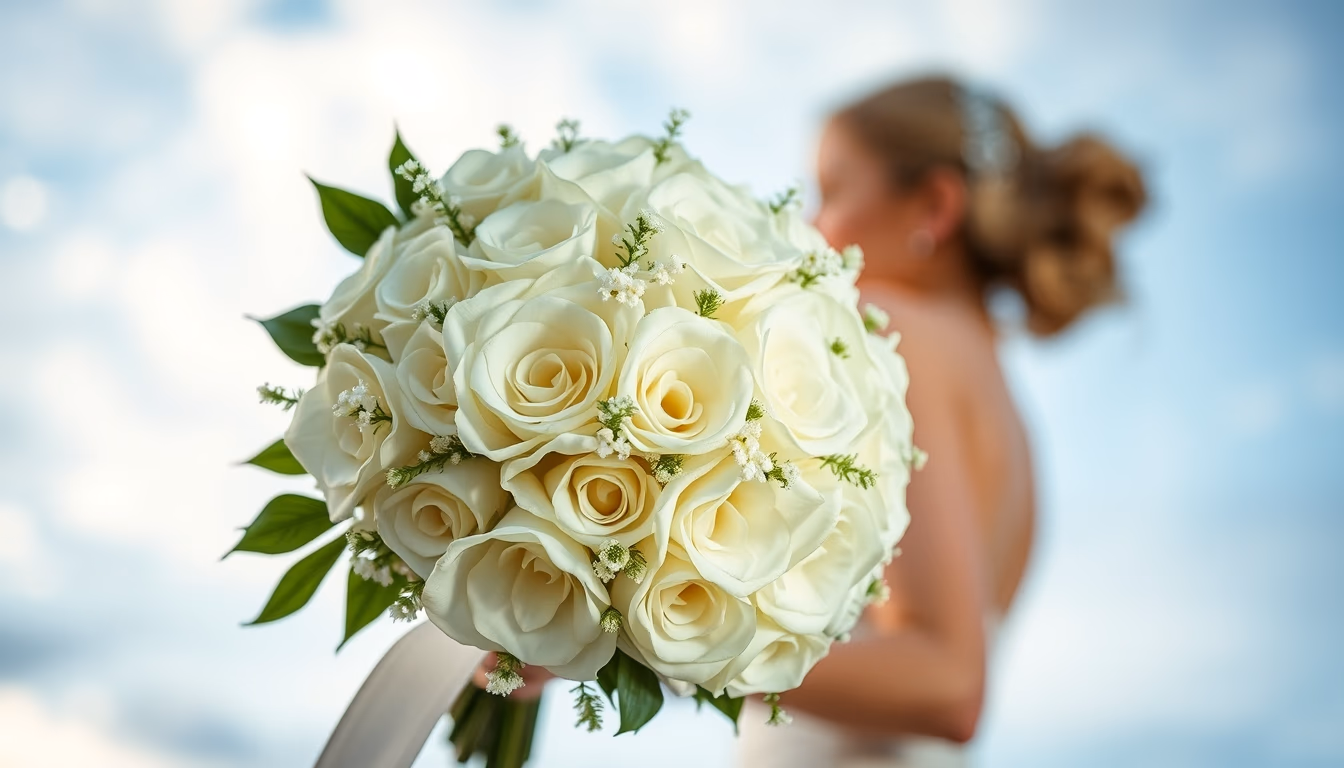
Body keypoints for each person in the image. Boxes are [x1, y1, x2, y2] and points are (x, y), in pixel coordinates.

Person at [736, 76, 1148, 766]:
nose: (811, 224)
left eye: (833, 190)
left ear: (934, 204)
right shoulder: (1010, 417)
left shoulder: (896, 335)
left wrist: (676, 644)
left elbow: (949, 681)